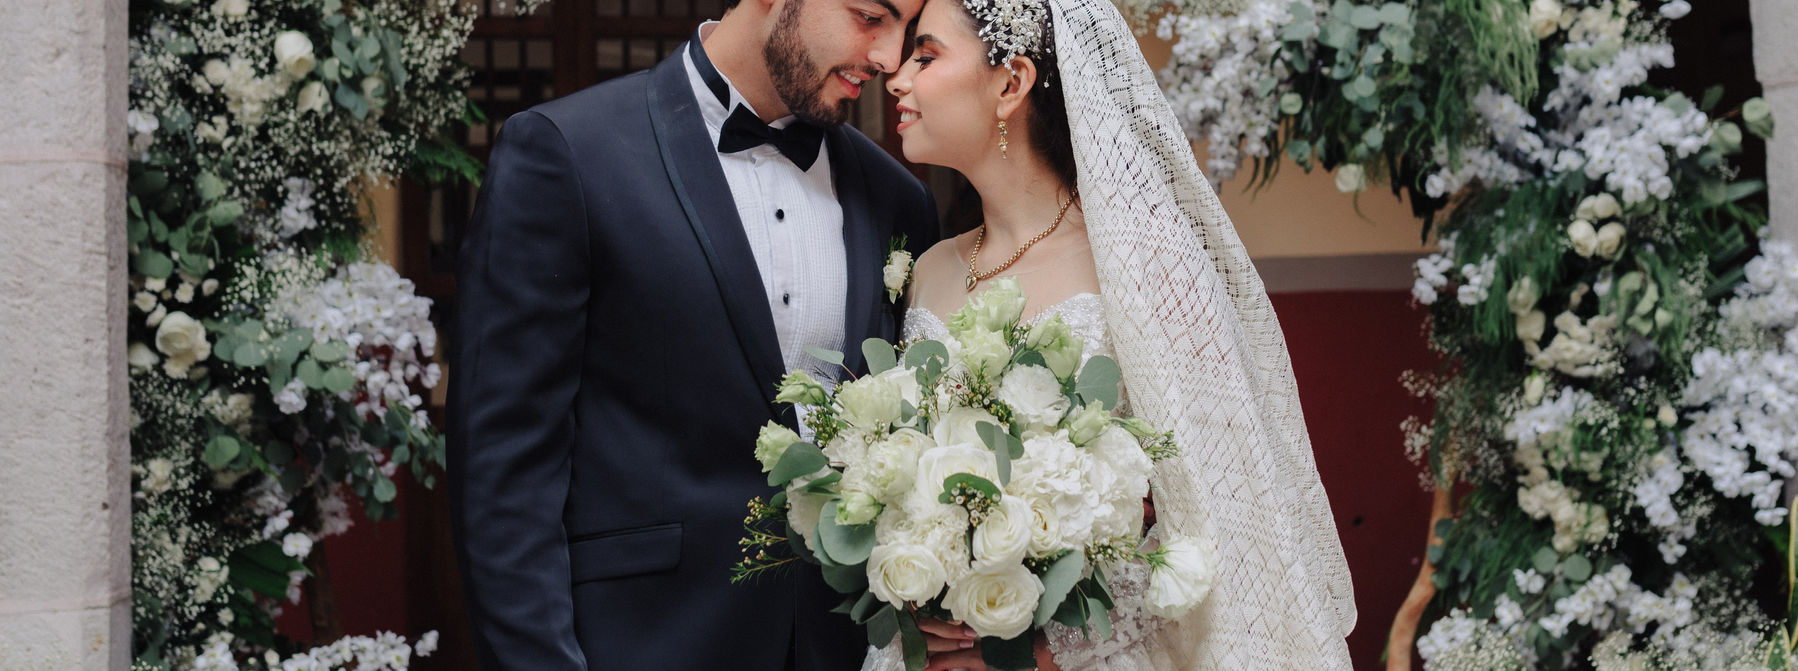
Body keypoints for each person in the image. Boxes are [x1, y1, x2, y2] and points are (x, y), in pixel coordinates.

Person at [864, 0, 1357, 666]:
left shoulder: (1143, 267)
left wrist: (1046, 646)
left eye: (925, 56)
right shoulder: (928, 269)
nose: (897, 79)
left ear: (1011, 83)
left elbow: (1216, 519)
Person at [445, 0, 938, 665]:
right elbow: (505, 465)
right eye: (870, 16)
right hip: (641, 642)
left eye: (906, 30)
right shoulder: (566, 152)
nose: (888, 56)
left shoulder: (898, 198)